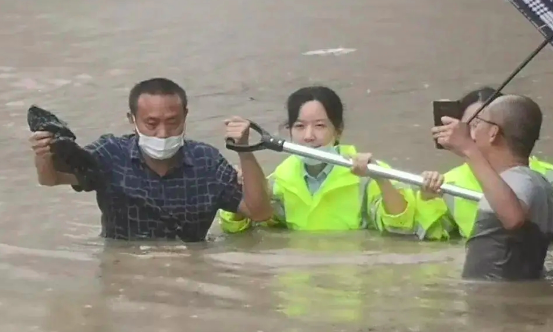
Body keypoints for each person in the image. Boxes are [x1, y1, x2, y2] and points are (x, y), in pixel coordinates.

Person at [29, 77, 272, 242]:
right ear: (131, 119)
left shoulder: (206, 162)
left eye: (173, 122)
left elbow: (259, 212)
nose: (163, 133)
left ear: (186, 116)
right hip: (125, 269)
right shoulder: (111, 153)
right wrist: (43, 154)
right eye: (152, 123)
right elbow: (52, 179)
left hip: (190, 274)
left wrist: (244, 150)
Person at [219, 86, 421, 235]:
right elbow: (238, 229)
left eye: (320, 126)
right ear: (288, 131)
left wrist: (381, 179)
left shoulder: (368, 175)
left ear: (338, 130)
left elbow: (402, 227)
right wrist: (241, 186)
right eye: (299, 126)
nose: (308, 136)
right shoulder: (279, 181)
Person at [429, 94, 553, 280]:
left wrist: (468, 149)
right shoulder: (538, 182)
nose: (472, 131)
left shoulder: (518, 179)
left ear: (493, 132)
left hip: (494, 303)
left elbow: (513, 218)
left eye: (478, 122)